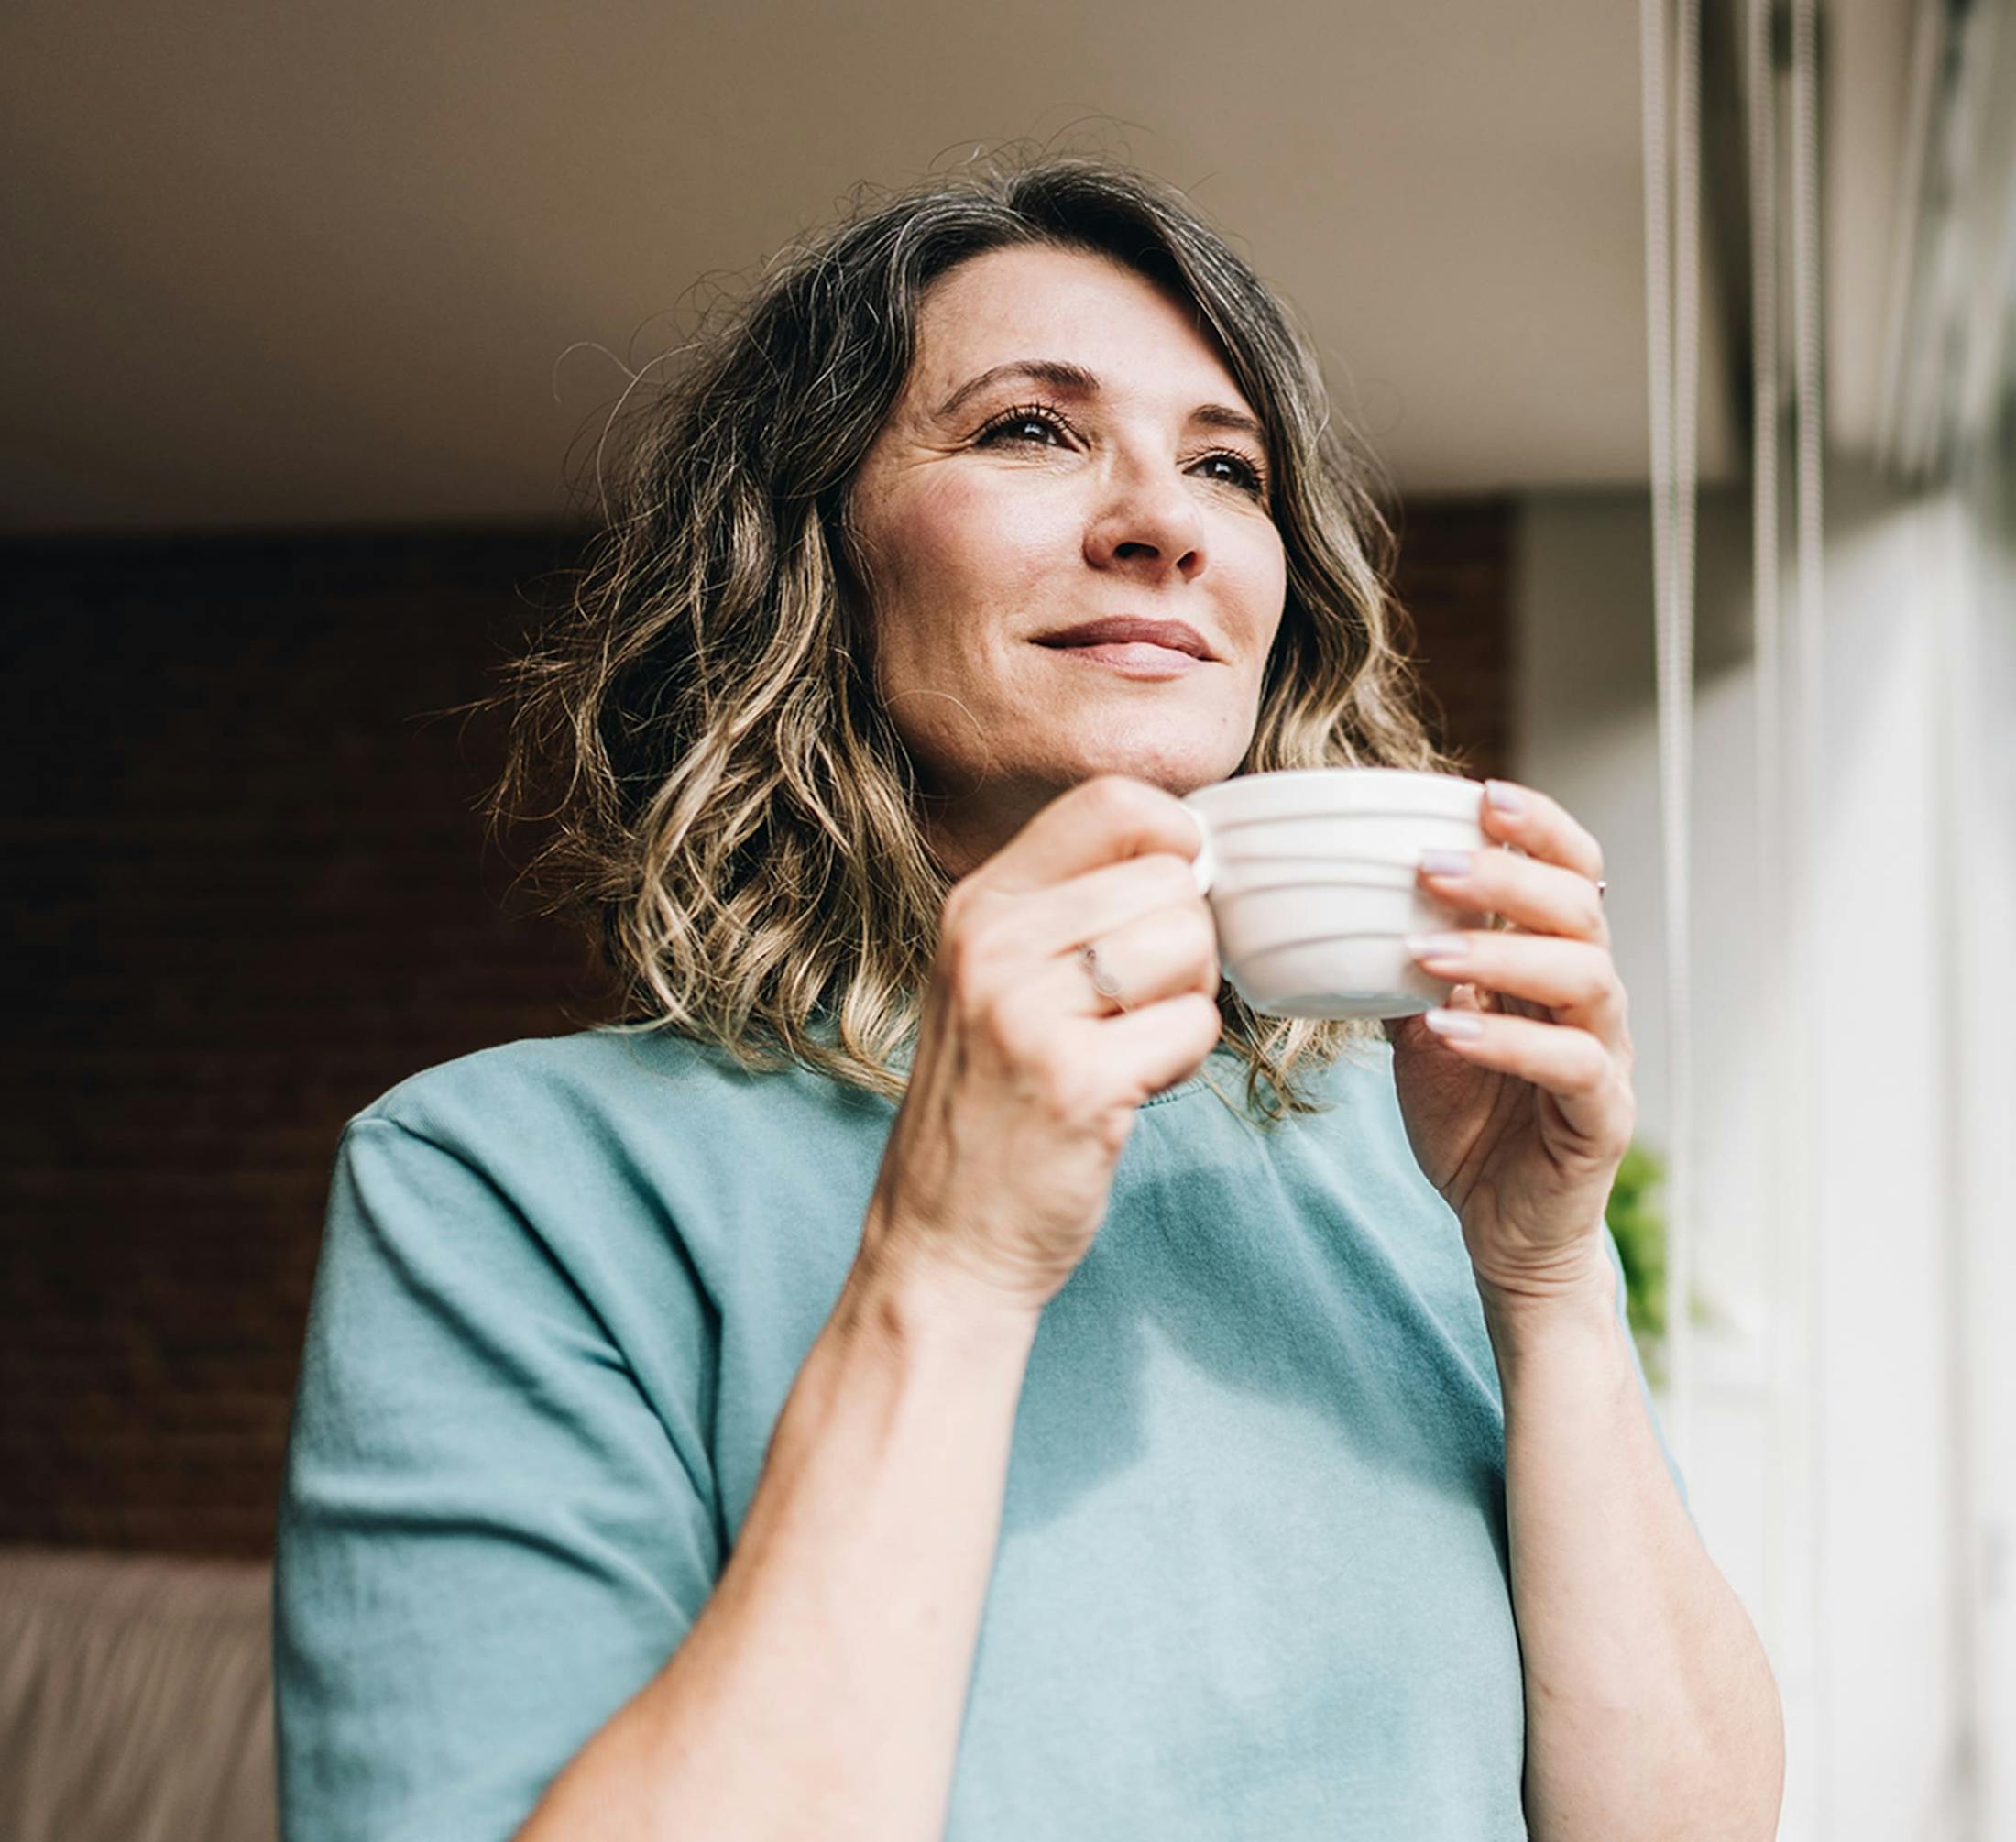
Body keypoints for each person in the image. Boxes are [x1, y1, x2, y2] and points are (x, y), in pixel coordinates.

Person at [272, 157, 1785, 1840]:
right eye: (1028, 430)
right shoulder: (505, 1182)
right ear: (811, 552)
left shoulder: (1429, 1164)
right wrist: (951, 1255)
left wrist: (1549, 1277)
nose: (1165, 519)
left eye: (1229, 465)